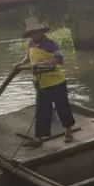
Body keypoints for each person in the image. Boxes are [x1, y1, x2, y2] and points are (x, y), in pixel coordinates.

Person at [15, 18, 75, 147]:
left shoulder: (51, 44)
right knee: (42, 111)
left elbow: (58, 59)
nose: (34, 35)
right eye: (31, 33)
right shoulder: (31, 44)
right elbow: (28, 57)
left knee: (62, 108)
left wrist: (42, 64)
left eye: (36, 32)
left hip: (56, 82)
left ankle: (68, 132)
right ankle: (38, 138)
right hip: (40, 84)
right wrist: (20, 64)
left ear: (41, 32)